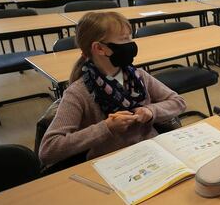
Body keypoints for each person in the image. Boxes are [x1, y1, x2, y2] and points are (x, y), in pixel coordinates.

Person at [39, 11, 186, 167]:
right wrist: (106, 127)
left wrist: (151, 111)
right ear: (100, 48)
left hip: (150, 151)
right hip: (110, 163)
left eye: (130, 37)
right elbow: (48, 150)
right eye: (124, 39)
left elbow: (178, 102)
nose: (131, 44)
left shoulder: (138, 76)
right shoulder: (78, 92)